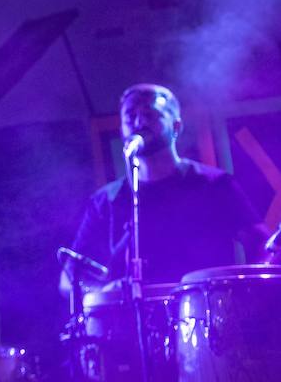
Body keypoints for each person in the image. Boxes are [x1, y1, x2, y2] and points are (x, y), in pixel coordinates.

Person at [67, 83, 269, 289]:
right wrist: (101, 293)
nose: (139, 122)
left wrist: (247, 293)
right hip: (133, 318)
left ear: (176, 127)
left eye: (150, 114)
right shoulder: (106, 200)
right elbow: (69, 278)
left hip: (205, 312)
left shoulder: (214, 184)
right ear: (121, 131)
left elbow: (263, 246)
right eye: (130, 116)